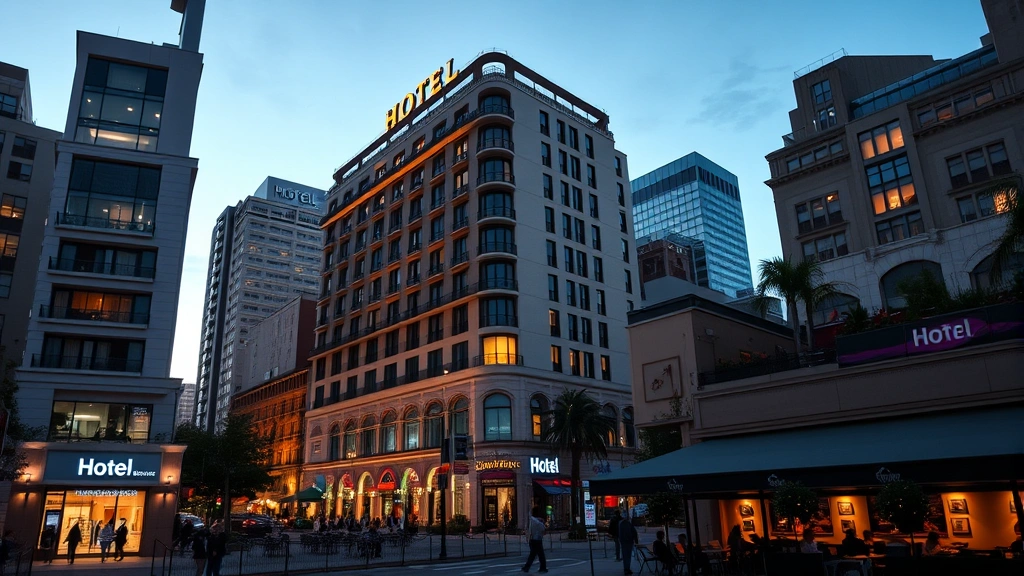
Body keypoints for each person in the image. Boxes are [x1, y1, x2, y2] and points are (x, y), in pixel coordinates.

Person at [522, 506, 548, 574]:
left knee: (533, 554)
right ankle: (542, 567)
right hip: (537, 539)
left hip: (533, 539)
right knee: (540, 554)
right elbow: (543, 529)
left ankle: (527, 567)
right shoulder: (538, 522)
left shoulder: (532, 520)